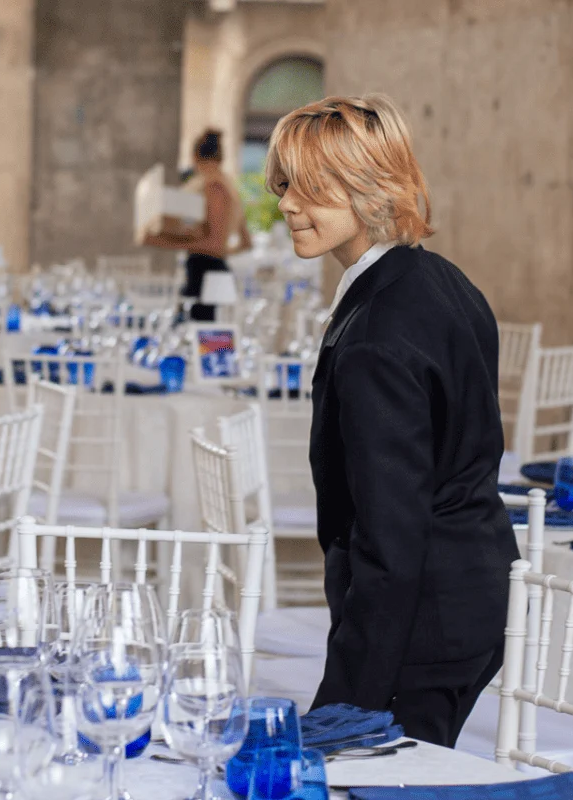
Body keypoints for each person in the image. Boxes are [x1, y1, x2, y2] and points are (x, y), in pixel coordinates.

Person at [265, 94, 516, 747]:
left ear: (370, 191)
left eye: (313, 188)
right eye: (286, 184)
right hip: (472, 595)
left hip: (419, 624)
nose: (288, 204)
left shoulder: (376, 334)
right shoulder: (444, 281)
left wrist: (344, 703)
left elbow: (390, 538)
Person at [144, 129, 243, 321]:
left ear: (194, 156)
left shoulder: (213, 187)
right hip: (209, 270)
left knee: (203, 337)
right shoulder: (226, 187)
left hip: (207, 275)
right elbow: (241, 242)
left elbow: (215, 244)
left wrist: (165, 242)